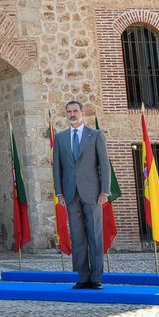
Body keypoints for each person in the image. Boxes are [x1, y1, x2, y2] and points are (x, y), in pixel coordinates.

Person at [52, 100, 111, 290]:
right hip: (70, 193)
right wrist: (59, 192)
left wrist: (104, 191)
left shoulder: (94, 136)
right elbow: (58, 168)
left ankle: (96, 277)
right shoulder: (60, 138)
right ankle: (83, 276)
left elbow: (104, 165)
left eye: (75, 110)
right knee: (77, 236)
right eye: (69, 111)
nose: (72, 114)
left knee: (95, 235)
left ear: (82, 113)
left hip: (92, 192)